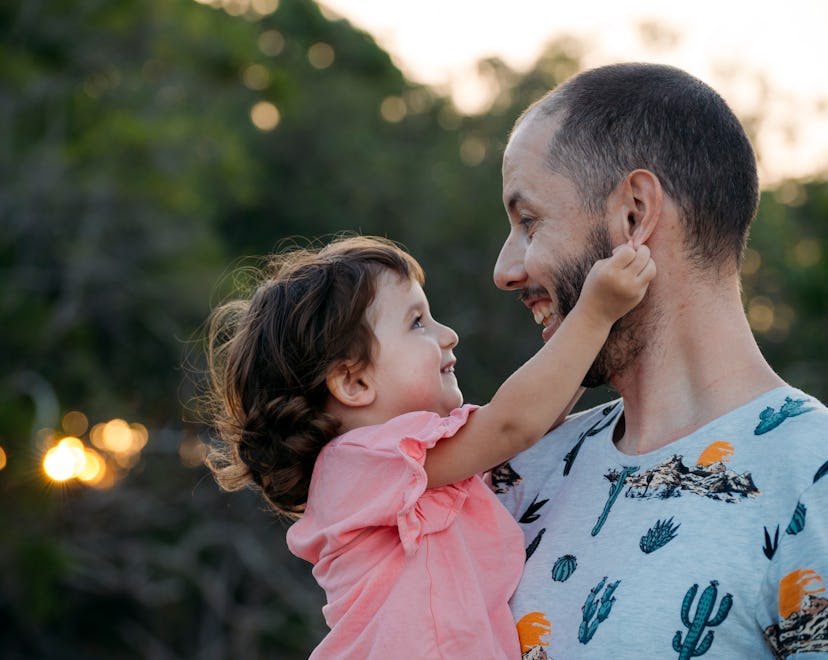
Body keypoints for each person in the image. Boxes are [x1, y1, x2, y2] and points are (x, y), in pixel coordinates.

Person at [491, 62, 828, 659]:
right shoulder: (518, 474)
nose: (505, 269)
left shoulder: (812, 478)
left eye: (529, 221)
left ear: (634, 215)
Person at [203, 234, 654, 659]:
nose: (447, 334)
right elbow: (511, 426)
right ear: (353, 381)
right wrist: (595, 314)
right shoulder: (358, 460)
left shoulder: (415, 466)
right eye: (417, 322)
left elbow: (524, 428)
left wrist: (577, 345)